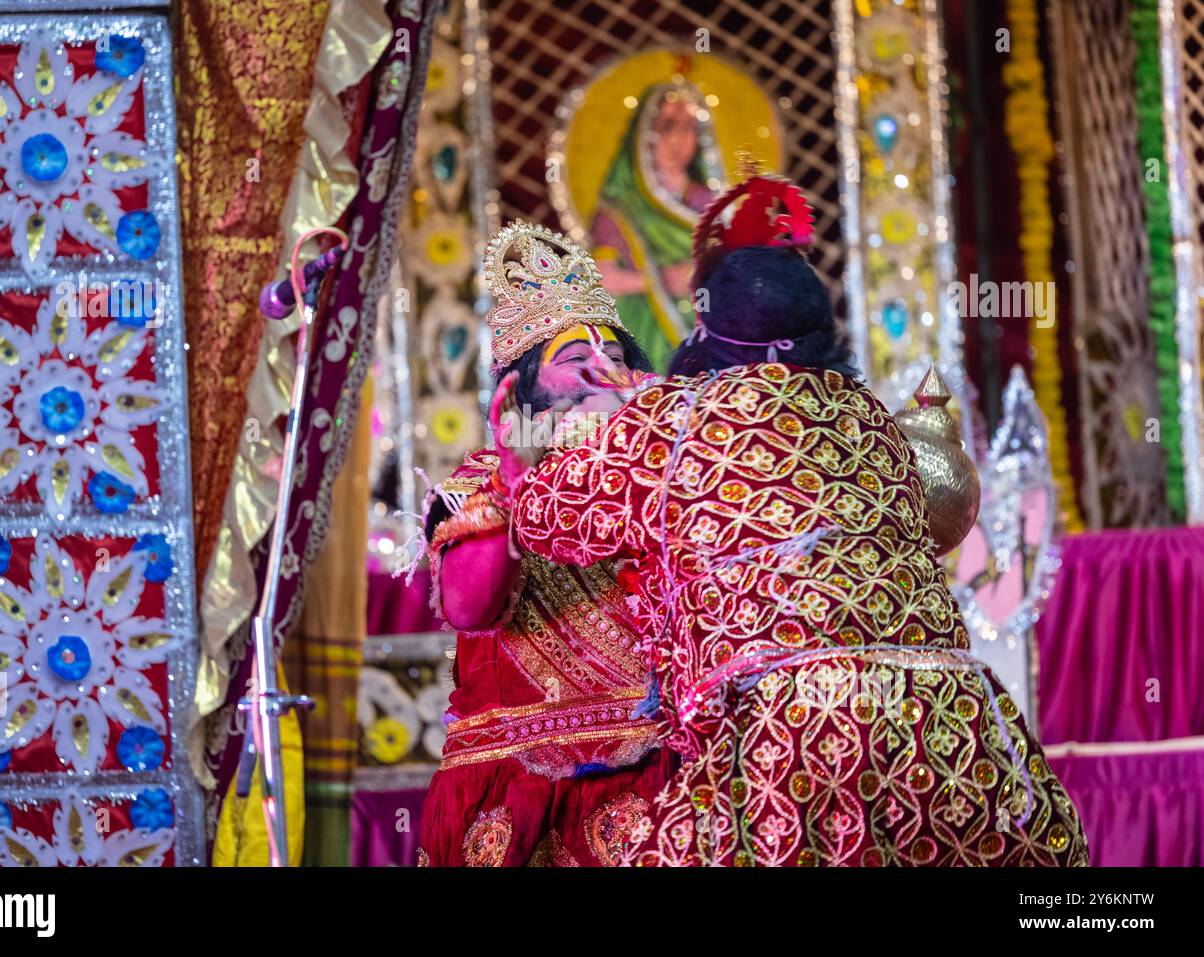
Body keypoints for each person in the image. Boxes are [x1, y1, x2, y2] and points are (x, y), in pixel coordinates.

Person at [490, 176, 1088, 866]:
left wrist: (519, 437)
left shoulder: (674, 421)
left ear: (704, 334)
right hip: (953, 720)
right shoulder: (871, 418)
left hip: (791, 723)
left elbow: (540, 518)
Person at [415, 221, 675, 866]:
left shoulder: (673, 474)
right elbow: (469, 608)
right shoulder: (478, 481)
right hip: (521, 788)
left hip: (662, 774)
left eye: (616, 355)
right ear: (523, 386)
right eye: (571, 358)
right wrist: (512, 487)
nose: (603, 367)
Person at [590, 82, 718, 369]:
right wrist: (658, 281)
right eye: (666, 127)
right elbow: (601, 279)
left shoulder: (710, 204)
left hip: (709, 342)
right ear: (642, 136)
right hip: (647, 339)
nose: (677, 140)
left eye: (688, 128)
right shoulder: (619, 209)